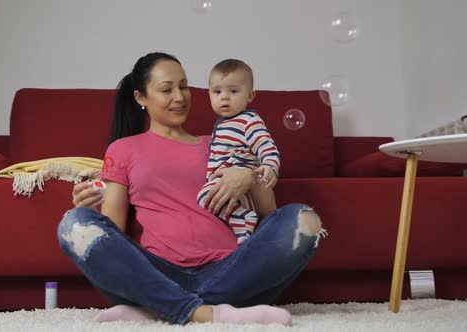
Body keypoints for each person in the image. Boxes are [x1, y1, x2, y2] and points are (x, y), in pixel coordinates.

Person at [58, 52, 327, 326]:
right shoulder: (123, 149)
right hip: (155, 272)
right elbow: (114, 231)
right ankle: (206, 312)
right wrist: (91, 210)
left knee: (303, 219)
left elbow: (269, 214)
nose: (180, 97)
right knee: (74, 223)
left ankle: (157, 308)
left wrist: (250, 177)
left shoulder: (221, 141)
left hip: (229, 270)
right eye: (166, 89)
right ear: (141, 98)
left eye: (184, 86)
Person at [197, 59, 280, 244]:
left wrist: (270, 166)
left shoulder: (249, 121)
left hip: (242, 184)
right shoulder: (222, 124)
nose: (224, 97)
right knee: (209, 200)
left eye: (233, 91)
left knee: (204, 196)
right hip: (228, 186)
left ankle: (243, 218)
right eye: (217, 92)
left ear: (250, 96)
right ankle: (242, 227)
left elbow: (267, 146)